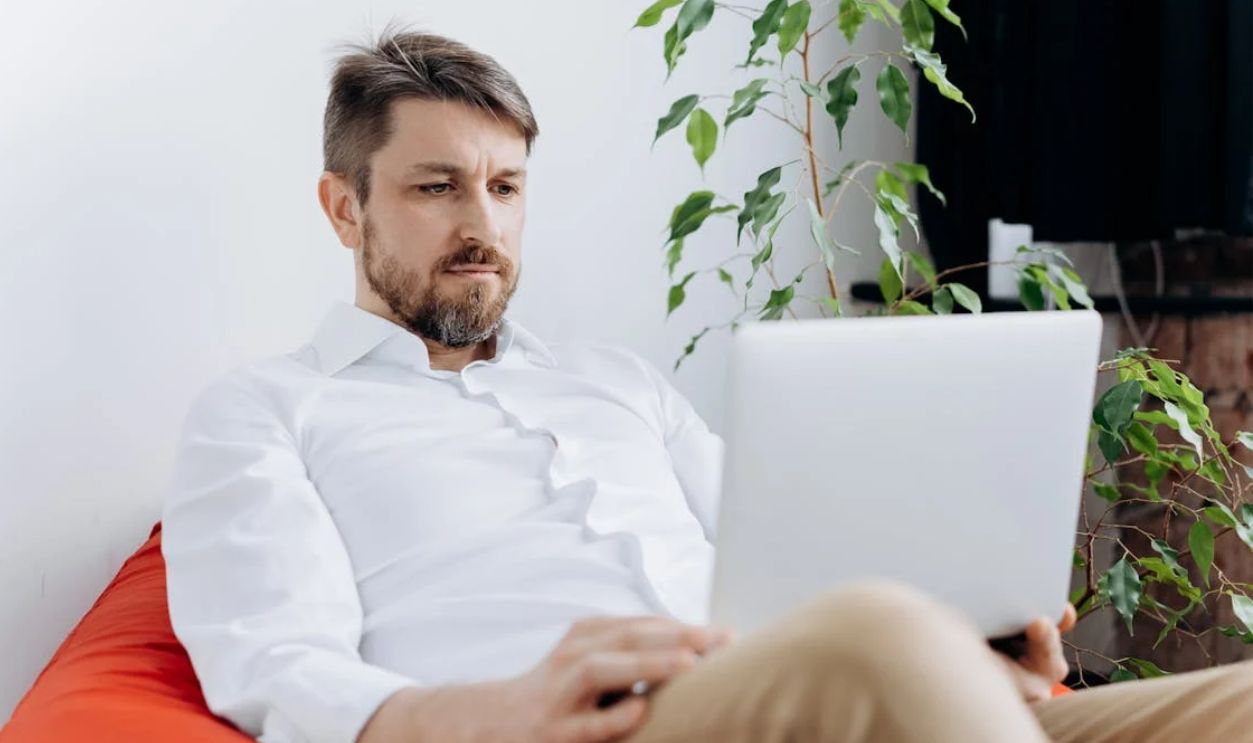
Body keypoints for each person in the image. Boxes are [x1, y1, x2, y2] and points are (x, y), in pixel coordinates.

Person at [161, 27, 1253, 743]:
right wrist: (503, 708)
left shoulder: (615, 384)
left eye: (506, 187)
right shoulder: (265, 413)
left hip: (818, 697)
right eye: (436, 187)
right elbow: (278, 664)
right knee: (875, 630)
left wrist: (968, 641)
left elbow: (790, 562)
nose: (482, 224)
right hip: (599, 725)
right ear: (343, 207)